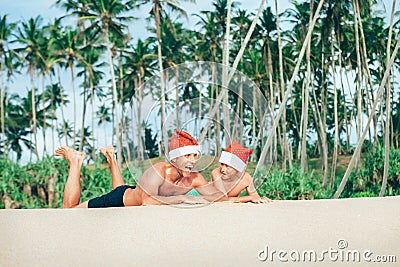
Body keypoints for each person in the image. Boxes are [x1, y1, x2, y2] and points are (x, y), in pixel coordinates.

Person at [56, 130, 227, 208]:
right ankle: (75, 161)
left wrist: (244, 198)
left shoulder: (195, 178)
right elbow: (147, 201)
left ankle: (112, 158)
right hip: (118, 200)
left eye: (195, 156)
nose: (192, 161)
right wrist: (184, 199)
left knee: (127, 191)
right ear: (174, 158)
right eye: (187, 156)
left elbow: (216, 196)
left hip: (131, 193)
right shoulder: (159, 170)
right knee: (70, 210)